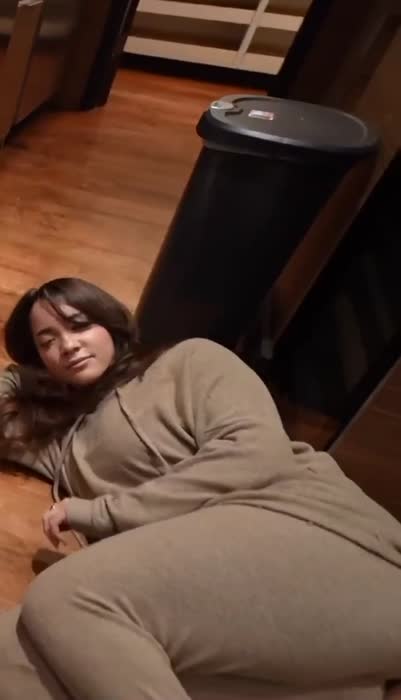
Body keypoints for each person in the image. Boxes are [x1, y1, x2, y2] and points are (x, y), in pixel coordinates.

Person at [0, 276, 400, 700]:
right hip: (213, 605)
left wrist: (100, 513)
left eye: (79, 325)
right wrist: (24, 374)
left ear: (110, 322)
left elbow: (255, 453)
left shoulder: (188, 361)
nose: (68, 345)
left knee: (65, 597)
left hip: (314, 530)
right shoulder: (63, 444)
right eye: (47, 342)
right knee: (13, 658)